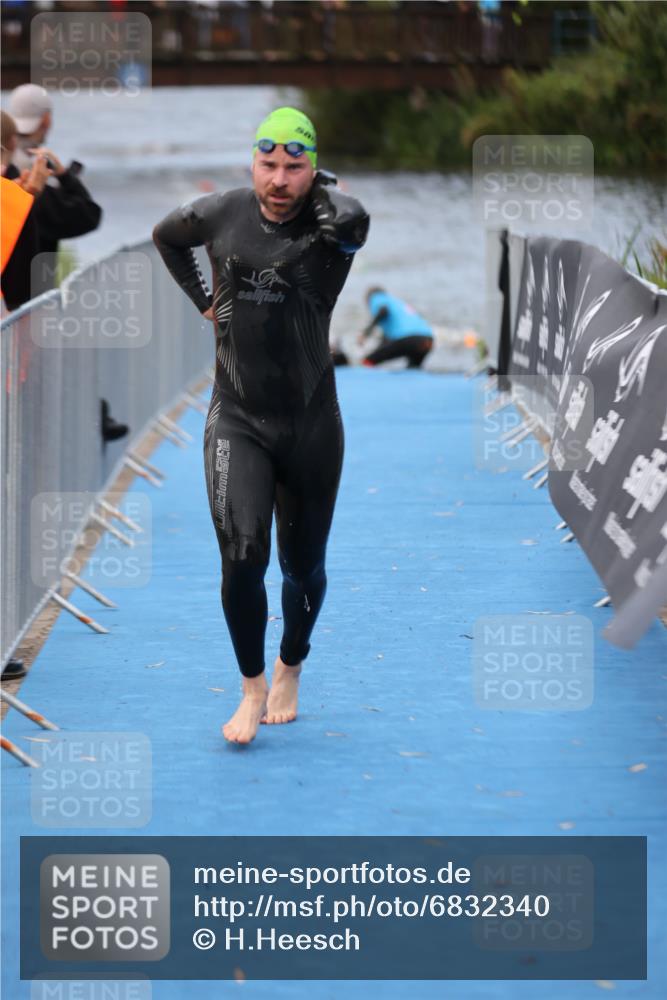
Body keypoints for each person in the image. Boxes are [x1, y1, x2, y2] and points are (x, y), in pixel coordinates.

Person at [152, 107, 369, 744]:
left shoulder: (335, 224)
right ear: (252, 162)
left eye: (293, 167)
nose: (278, 179)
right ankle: (250, 688)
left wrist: (327, 190)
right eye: (267, 164)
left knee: (303, 566)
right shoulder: (218, 213)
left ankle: (290, 666)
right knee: (242, 558)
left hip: (310, 424)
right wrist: (202, 299)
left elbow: (352, 219)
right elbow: (166, 236)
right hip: (237, 417)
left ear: (313, 170)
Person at [6, 84, 102, 297]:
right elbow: (89, 215)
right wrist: (64, 177)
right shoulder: (34, 186)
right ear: (46, 120)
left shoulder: (7, 173)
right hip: (29, 302)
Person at [359, 287, 434, 368]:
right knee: (413, 371)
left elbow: (383, 311)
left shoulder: (376, 298)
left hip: (409, 338)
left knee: (367, 362)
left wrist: (365, 334)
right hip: (428, 339)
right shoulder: (396, 302)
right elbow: (385, 342)